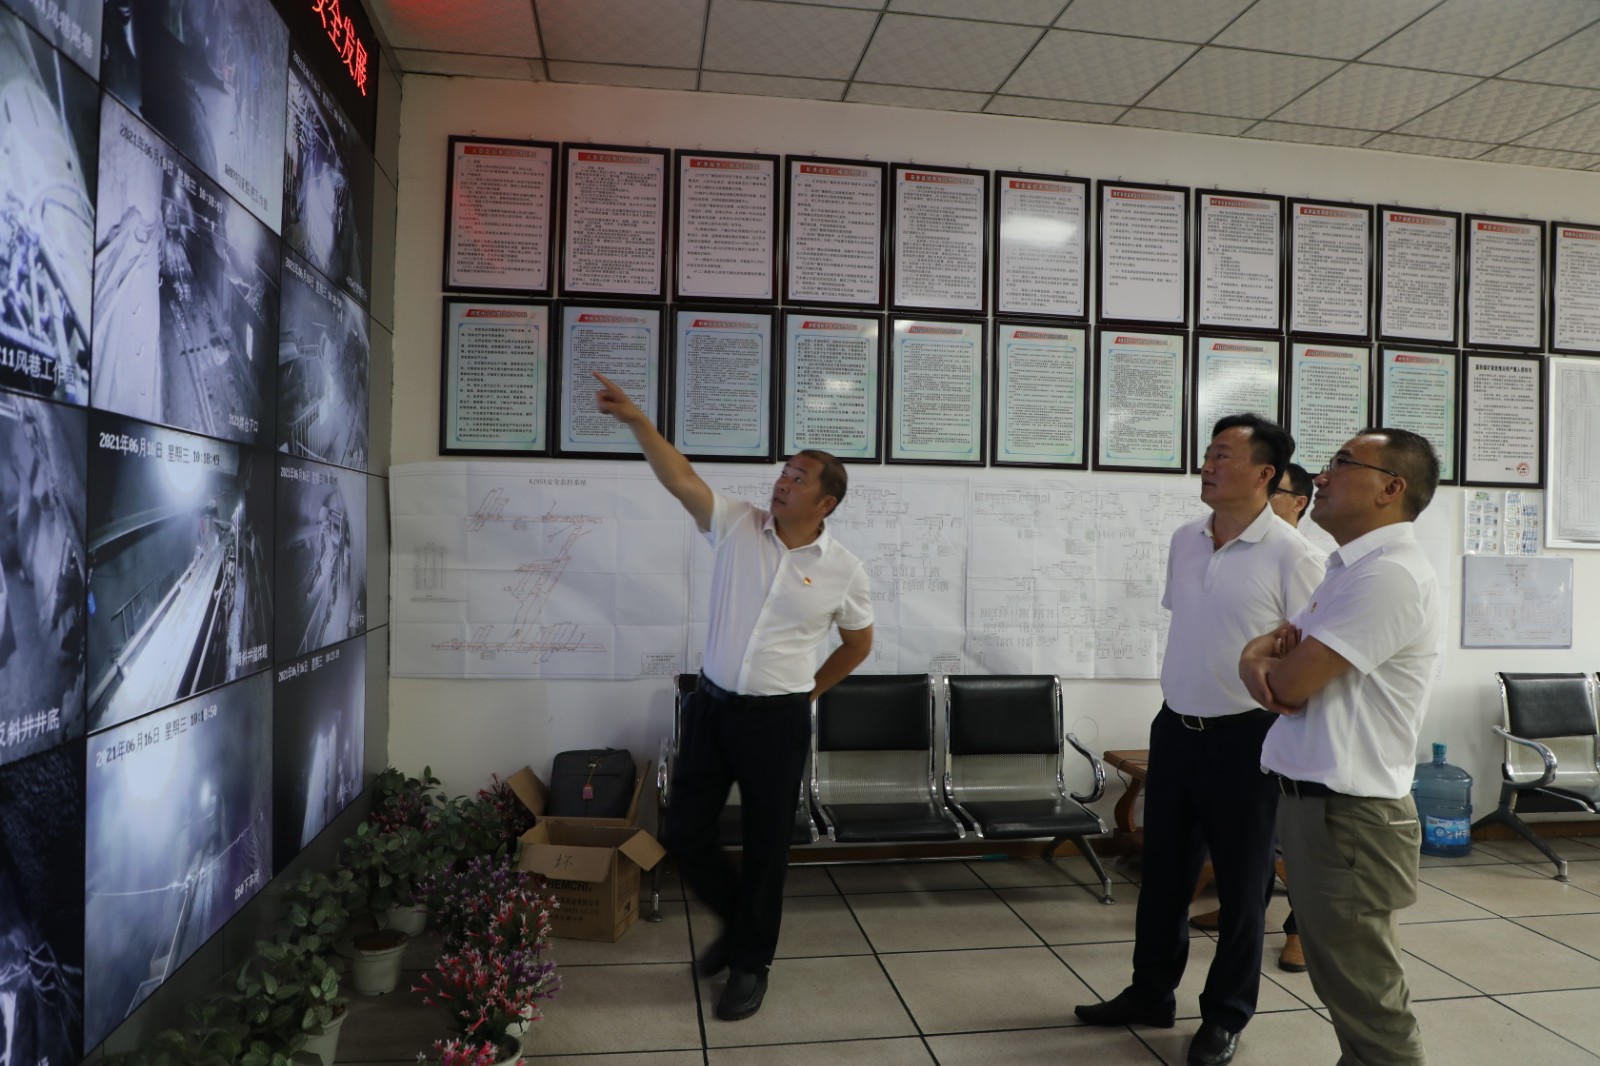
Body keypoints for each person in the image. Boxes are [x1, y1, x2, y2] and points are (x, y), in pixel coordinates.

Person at [593, 370, 874, 1022]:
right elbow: (681, 479)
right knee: (685, 832)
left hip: (777, 721)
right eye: (784, 472)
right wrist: (637, 421)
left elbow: (858, 644)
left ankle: (751, 962)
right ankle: (739, 924)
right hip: (712, 707)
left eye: (799, 478)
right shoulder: (738, 525)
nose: (783, 482)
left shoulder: (844, 570)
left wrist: (810, 693)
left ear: (826, 502)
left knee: (767, 846)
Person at [1076, 415, 1324, 1066]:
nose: (1207, 465)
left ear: (1265, 473)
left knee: (1243, 887)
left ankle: (1226, 1014)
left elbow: (1310, 654)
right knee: (1163, 875)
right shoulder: (1186, 539)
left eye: (1223, 455)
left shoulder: (1295, 555)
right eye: (1208, 454)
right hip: (1176, 728)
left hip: (1249, 738)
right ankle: (1150, 992)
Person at [1240, 429, 1441, 1066]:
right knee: (1343, 983)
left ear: (1391, 488)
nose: (1320, 477)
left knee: (1366, 996)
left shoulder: (1388, 576)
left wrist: (1256, 659)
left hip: (1351, 815)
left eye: (1342, 464)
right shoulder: (1347, 569)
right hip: (1321, 807)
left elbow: (1285, 682)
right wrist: (1259, 662)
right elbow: (1276, 666)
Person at [1189, 461, 1318, 973]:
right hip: (1232, 718)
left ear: (1299, 502)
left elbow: (1311, 648)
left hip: (1282, 718)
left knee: (1295, 835)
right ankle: (1243, 906)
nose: (1262, 499)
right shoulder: (1221, 549)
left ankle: (1300, 930)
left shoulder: (1302, 558)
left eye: (1275, 491)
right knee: (1250, 840)